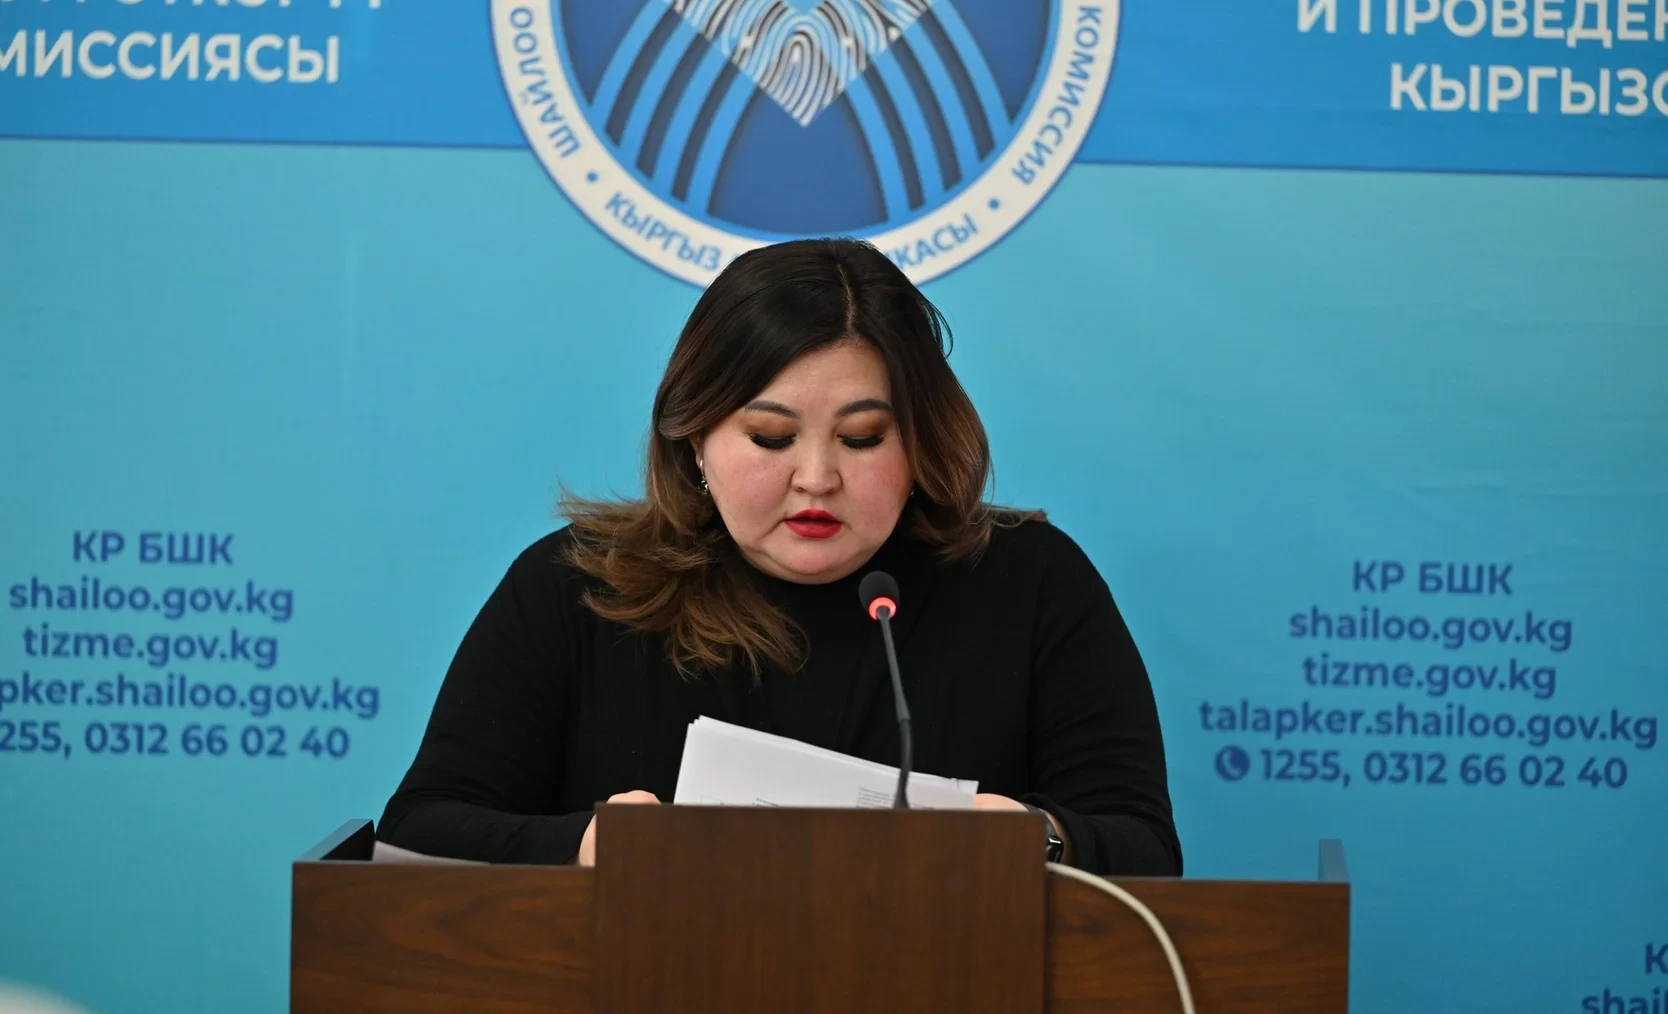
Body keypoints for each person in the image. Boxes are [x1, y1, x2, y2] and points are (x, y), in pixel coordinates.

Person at [375, 237, 1182, 876]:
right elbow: (416, 833)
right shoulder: (577, 588)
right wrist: (588, 847)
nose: (817, 477)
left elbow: (1144, 848)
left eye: (862, 438)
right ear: (696, 440)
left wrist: (1037, 838)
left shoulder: (1029, 583)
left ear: (920, 441)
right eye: (770, 437)